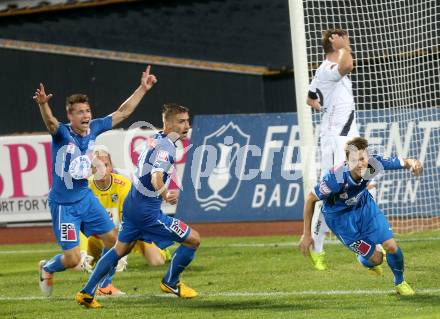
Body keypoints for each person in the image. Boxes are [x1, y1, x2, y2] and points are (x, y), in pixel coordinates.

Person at [34, 65, 157, 297]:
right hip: (64, 207)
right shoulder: (62, 133)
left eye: (87, 110)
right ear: (70, 116)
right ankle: (47, 268)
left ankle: (104, 285)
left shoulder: (95, 128)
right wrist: (43, 104)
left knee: (115, 242)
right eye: (79, 112)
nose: (86, 115)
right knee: (71, 260)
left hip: (86, 200)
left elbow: (122, 113)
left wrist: (142, 89)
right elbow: (50, 123)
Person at [76, 103, 200, 308]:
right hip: (146, 213)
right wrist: (164, 193)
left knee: (119, 250)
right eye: (181, 121)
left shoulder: (157, 138)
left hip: (133, 205)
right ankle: (171, 282)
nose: (186, 125)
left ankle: (86, 292)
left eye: (187, 120)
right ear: (168, 123)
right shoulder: (166, 146)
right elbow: (156, 176)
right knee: (193, 240)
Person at [299, 137, 422, 295]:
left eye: (363, 159)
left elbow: (401, 161)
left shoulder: (373, 165)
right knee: (377, 259)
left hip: (365, 208)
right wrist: (307, 234)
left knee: (391, 246)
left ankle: (400, 282)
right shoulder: (335, 179)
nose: (360, 164)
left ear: (367, 157)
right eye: (354, 160)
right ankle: (365, 260)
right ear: (347, 162)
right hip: (342, 222)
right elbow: (310, 199)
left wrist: (413, 163)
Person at [306, 28, 378, 270]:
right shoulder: (328, 69)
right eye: (342, 39)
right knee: (334, 193)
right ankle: (316, 245)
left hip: (344, 137)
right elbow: (347, 65)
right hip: (337, 139)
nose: (348, 44)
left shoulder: (323, 73)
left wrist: (319, 106)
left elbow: (309, 97)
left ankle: (370, 244)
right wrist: (344, 46)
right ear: (333, 45)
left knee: (368, 183)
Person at [81, 149, 171, 287]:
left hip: (133, 232)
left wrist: (121, 251)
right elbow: (81, 223)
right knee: (76, 264)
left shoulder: (124, 185)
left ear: (111, 167)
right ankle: (97, 261)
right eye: (97, 166)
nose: (102, 170)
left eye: (106, 165)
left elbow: (130, 219)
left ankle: (162, 250)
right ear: (91, 169)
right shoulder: (85, 188)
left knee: (157, 261)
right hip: (100, 236)